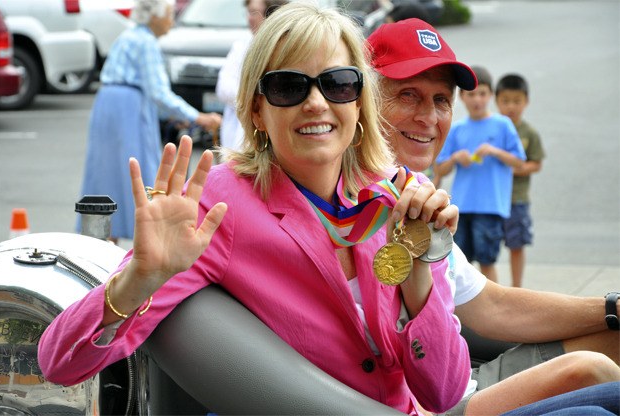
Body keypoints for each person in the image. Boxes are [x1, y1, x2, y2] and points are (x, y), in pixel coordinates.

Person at [38, 4, 471, 415]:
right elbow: (59, 362)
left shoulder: (401, 198)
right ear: (257, 111)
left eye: (337, 83)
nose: (317, 103)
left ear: (359, 102)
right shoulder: (220, 202)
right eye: (288, 86)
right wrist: (138, 279)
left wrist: (419, 269)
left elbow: (444, 390)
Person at [367, 17, 620, 416]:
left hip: (466, 377)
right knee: (591, 370)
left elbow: (490, 305)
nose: (429, 117)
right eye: (408, 95)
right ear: (363, 98)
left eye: (441, 100)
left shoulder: (415, 187)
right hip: (433, 401)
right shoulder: (350, 201)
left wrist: (612, 308)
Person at [78, 0, 222, 244]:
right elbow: (158, 93)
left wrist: (174, 116)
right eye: (168, 13)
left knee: (106, 176)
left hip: (109, 105)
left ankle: (105, 237)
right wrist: (197, 117)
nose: (171, 20)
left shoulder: (129, 36)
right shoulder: (146, 43)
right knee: (139, 173)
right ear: (153, 16)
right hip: (127, 110)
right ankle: (140, 242)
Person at [434, 65, 526, 283]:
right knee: (458, 264)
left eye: (482, 94)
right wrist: (456, 158)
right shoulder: (456, 129)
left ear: (491, 95)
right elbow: (440, 169)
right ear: (462, 97)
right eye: (471, 94)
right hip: (460, 208)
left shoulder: (503, 125)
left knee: (487, 261)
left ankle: (493, 312)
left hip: (491, 207)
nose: (477, 100)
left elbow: (520, 162)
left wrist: (494, 151)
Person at [215, 0, 287, 151]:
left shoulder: (288, 48)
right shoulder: (241, 47)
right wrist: (256, 99)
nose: (249, 18)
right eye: (248, 12)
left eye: (254, 12)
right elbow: (223, 87)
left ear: (271, 13)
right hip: (238, 143)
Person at [495, 73, 545, 288]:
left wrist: (513, 170)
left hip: (517, 199)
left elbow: (536, 163)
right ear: (497, 101)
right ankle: (493, 289)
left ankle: (516, 287)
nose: (511, 107)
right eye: (505, 101)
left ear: (526, 102)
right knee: (489, 248)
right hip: (493, 200)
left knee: (517, 244)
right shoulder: (492, 129)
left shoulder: (529, 133)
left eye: (517, 101)